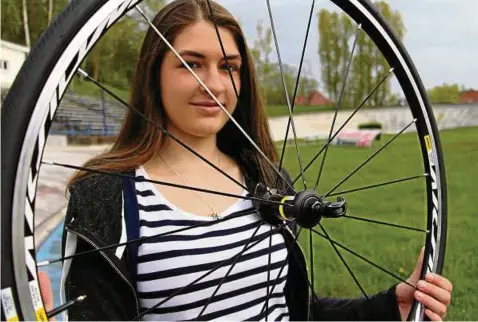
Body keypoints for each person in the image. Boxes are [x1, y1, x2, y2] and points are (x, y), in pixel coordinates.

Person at [47, 0, 452, 320]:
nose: (215, 84)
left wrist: (388, 308)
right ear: (154, 73)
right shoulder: (105, 198)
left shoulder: (267, 181)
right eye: (191, 64)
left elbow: (291, 311)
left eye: (229, 67)